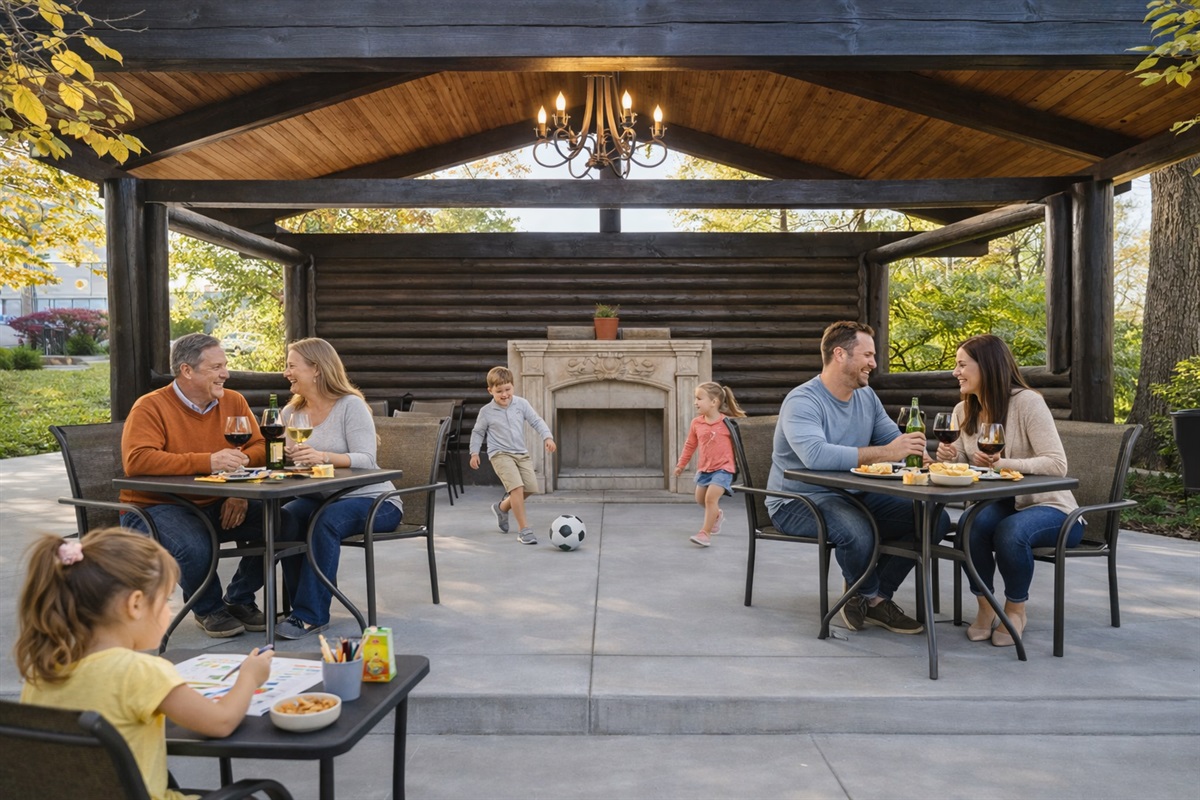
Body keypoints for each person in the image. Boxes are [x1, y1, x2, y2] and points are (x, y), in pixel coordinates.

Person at [16, 528, 273, 800]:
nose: (168, 611)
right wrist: (249, 676)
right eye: (165, 600)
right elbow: (221, 723)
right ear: (135, 604)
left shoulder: (42, 672)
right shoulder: (139, 672)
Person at [766, 320, 949, 635]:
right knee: (857, 531)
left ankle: (871, 594)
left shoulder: (867, 397)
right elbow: (816, 456)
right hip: (799, 499)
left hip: (854, 494)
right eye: (867, 355)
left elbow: (892, 438)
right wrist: (887, 453)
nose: (874, 364)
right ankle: (872, 598)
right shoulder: (803, 401)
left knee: (932, 518)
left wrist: (917, 454)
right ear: (840, 354)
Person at [936, 333, 1081, 647]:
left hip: (1051, 508)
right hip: (1001, 502)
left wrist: (1004, 463)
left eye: (962, 364)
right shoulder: (964, 410)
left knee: (1011, 532)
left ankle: (1016, 609)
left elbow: (1057, 464)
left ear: (986, 367)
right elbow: (965, 462)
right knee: (969, 527)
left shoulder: (1027, 403)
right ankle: (986, 608)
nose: (955, 372)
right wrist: (950, 456)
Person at [121, 332, 268, 638]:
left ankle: (239, 599)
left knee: (285, 522)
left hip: (214, 501)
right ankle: (208, 609)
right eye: (216, 367)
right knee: (194, 545)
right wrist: (209, 462)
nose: (225, 374)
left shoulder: (234, 401)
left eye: (225, 365)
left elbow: (259, 447)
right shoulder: (150, 406)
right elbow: (138, 460)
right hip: (155, 506)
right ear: (187, 371)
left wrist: (236, 491)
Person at [275, 337, 402, 639]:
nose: (286, 372)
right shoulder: (291, 412)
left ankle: (311, 615)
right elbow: (281, 459)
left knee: (325, 522)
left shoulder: (350, 406)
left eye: (292, 366)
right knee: (285, 518)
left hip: (374, 500)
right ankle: (298, 606)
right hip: (323, 498)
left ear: (316, 369)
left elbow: (367, 460)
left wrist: (322, 457)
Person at [469, 366, 557, 545]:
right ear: (490, 390)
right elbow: (478, 433)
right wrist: (474, 453)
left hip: (521, 453)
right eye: (499, 391)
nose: (504, 394)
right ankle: (524, 530)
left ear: (513, 387)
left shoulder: (521, 404)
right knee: (516, 488)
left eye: (507, 389)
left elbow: (536, 420)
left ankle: (502, 508)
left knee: (530, 487)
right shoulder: (486, 412)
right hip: (499, 454)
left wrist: (547, 437)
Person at [674, 381, 747, 547]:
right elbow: (690, 445)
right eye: (695, 398)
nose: (695, 402)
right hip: (705, 469)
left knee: (710, 499)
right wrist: (681, 465)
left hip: (724, 469)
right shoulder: (696, 423)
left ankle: (704, 534)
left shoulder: (728, 423)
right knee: (700, 499)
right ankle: (717, 515)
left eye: (699, 398)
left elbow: (741, 444)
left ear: (714, 402)